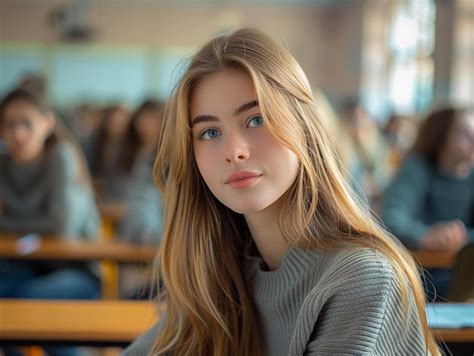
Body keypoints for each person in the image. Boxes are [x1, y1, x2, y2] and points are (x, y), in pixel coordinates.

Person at [123, 29, 439, 356]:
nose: (234, 151)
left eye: (256, 119)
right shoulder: (223, 267)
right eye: (210, 132)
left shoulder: (362, 277)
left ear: (303, 127)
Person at [0, 88, 101, 356]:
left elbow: (61, 227)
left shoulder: (61, 156)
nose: (18, 133)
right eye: (9, 125)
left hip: (78, 270)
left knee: (29, 301)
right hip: (26, 265)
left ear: (48, 123)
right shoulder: (3, 163)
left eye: (27, 123)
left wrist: (9, 219)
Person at [382, 107, 474, 300]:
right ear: (441, 136)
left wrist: (461, 237)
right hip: (419, 274)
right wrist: (425, 236)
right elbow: (391, 218)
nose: (473, 139)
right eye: (465, 133)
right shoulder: (418, 168)